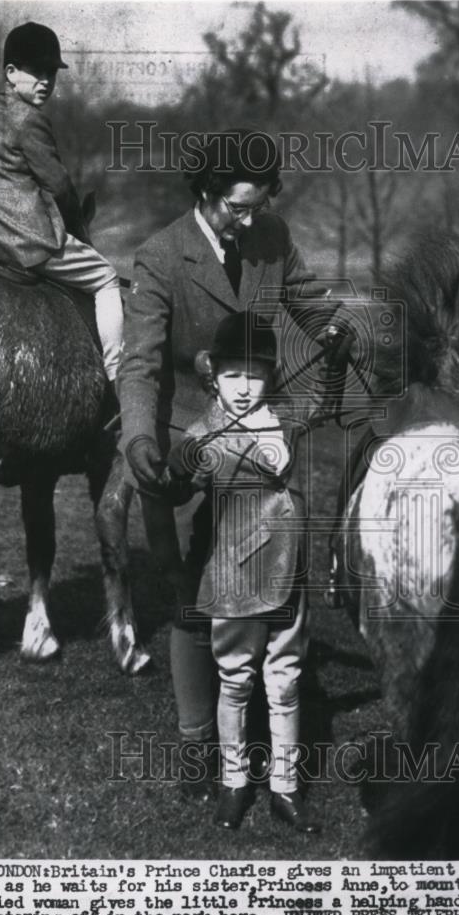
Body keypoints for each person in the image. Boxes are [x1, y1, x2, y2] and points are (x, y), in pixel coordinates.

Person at [117, 128, 336, 802]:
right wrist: (138, 444)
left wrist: (342, 326)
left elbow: (312, 302)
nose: (250, 221)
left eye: (258, 206)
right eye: (237, 208)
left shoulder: (269, 236)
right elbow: (142, 362)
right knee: (190, 597)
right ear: (207, 196)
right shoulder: (160, 257)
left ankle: (256, 733)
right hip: (182, 442)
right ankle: (194, 742)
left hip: (261, 453)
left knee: (260, 588)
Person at [162, 311, 322, 832]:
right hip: (234, 571)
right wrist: (176, 468)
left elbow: (325, 396)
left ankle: (286, 788)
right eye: (233, 375)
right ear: (214, 376)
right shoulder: (205, 428)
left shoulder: (286, 417)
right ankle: (234, 783)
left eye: (255, 374)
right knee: (235, 680)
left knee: (286, 681)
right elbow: (181, 477)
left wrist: (335, 356)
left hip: (288, 571)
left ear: (271, 376)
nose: (244, 387)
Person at [0, 21, 123, 383]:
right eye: (35, 71)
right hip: (27, 241)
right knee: (106, 277)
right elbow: (58, 185)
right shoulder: (31, 120)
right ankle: (116, 373)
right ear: (10, 72)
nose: (45, 80)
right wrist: (73, 226)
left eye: (51, 73)